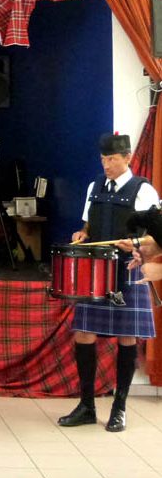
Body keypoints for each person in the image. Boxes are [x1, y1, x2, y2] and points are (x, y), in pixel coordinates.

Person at [58, 133, 159, 432]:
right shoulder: (95, 186)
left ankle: (120, 408)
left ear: (127, 157)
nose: (106, 165)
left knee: (127, 338)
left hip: (127, 269)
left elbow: (156, 236)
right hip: (95, 270)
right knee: (84, 334)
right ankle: (87, 406)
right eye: (103, 159)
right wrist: (83, 234)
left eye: (112, 159)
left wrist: (137, 243)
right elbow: (89, 222)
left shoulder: (144, 190)